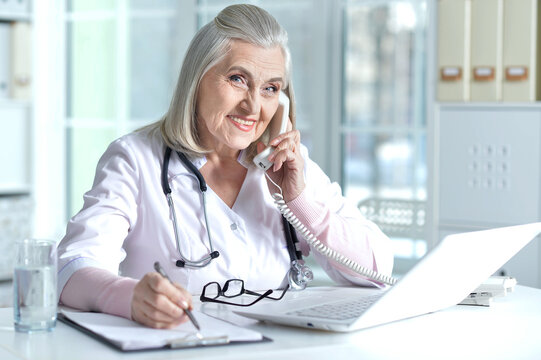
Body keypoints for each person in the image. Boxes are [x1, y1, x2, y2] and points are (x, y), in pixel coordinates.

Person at [57, 4, 393, 329]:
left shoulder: (290, 168)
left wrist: (298, 200)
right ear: (196, 80)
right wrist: (128, 296)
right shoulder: (135, 159)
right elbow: (71, 269)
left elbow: (377, 268)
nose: (253, 106)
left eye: (270, 88)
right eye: (237, 79)